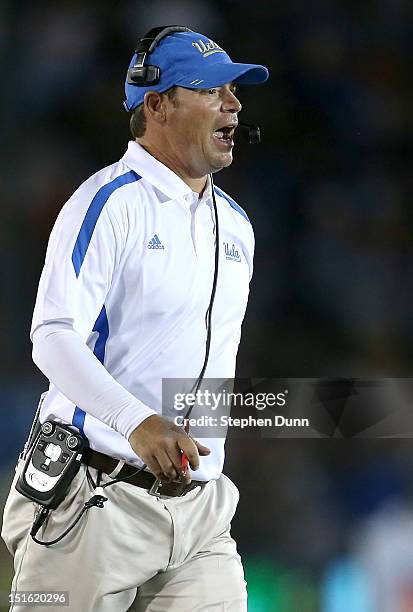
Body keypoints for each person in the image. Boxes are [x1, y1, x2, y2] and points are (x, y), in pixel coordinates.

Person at [1, 26, 268, 611]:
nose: (233, 103)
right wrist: (138, 422)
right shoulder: (108, 202)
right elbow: (49, 335)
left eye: (234, 90)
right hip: (95, 500)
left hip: (200, 514)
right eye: (210, 89)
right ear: (157, 105)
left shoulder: (238, 225)